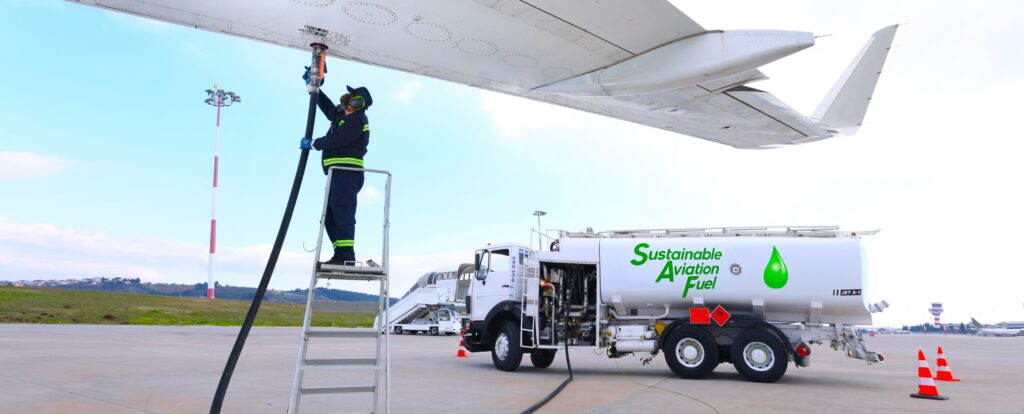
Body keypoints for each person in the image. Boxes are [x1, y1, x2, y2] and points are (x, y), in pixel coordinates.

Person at [302, 69, 373, 266]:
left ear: (358, 103)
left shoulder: (357, 119)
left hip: (347, 173)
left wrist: (314, 143)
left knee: (342, 212)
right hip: (338, 173)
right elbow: (329, 110)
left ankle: (346, 256)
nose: (347, 100)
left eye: (352, 97)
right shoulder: (344, 117)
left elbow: (339, 139)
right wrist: (314, 89)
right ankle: (340, 254)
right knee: (331, 216)